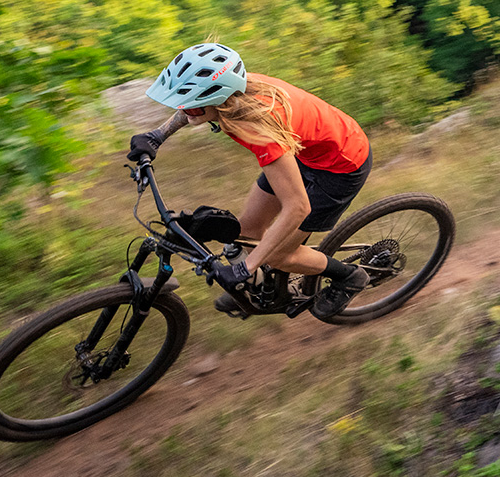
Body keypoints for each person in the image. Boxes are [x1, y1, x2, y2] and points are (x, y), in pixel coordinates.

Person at [126, 42, 373, 319]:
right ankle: (260, 289)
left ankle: (349, 276)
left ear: (218, 98)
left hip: (342, 165)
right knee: (248, 231)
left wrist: (246, 268)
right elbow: (192, 108)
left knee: (278, 255)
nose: (185, 111)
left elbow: (298, 207)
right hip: (303, 152)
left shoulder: (257, 128)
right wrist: (158, 136)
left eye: (193, 108)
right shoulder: (234, 93)